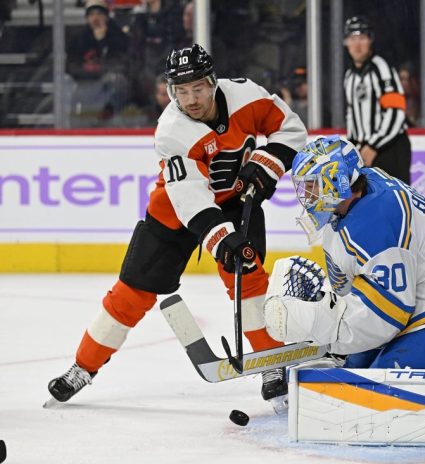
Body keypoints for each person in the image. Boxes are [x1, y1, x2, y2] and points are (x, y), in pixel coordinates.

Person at [48, 44, 308, 410]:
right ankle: (82, 367)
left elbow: (291, 128)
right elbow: (191, 199)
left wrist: (267, 164)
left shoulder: (247, 96)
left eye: (197, 88)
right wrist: (223, 240)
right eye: (181, 91)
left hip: (235, 202)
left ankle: (270, 364)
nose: (190, 99)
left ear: (213, 82)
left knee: (248, 279)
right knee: (131, 294)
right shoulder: (172, 130)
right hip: (174, 211)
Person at [264, 135, 425, 372]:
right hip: (422, 301)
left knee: (370, 387)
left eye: (312, 185)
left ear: (337, 180)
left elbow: (388, 316)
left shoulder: (375, 219)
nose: (306, 195)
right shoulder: (361, 192)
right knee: (354, 371)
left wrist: (324, 326)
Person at [343, 16, 412, 184]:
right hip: (364, 150)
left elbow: (396, 112)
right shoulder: (349, 75)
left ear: (370, 40)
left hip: (390, 148)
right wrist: (353, 147)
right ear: (346, 42)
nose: (357, 44)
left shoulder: (382, 69)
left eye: (362, 38)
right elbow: (352, 115)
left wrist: (373, 146)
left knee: (393, 197)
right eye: (352, 38)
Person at [66, 0, 130, 122]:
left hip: (109, 83)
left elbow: (121, 63)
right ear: (87, 18)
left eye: (99, 14)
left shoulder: (118, 37)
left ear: (106, 17)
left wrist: (102, 41)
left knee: (119, 82)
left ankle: (113, 119)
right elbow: (71, 65)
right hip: (84, 81)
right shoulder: (78, 39)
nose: (95, 18)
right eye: (91, 14)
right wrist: (89, 72)